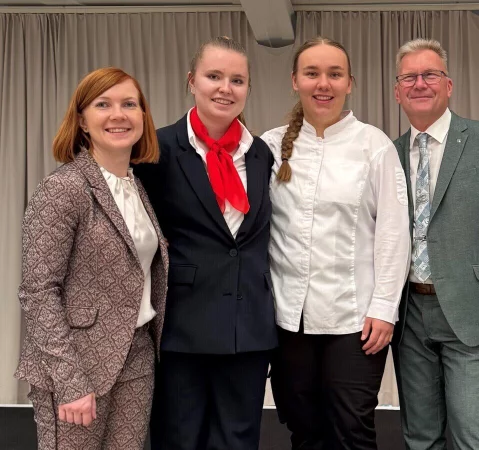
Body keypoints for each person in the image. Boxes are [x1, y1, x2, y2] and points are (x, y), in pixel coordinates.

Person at [261, 36, 411, 450]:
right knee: (302, 427)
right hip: (288, 318)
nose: (322, 83)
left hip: (356, 319)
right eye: (312, 73)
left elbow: (395, 234)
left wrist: (384, 308)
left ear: (350, 83)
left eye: (334, 74)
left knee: (351, 428)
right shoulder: (270, 146)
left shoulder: (373, 145)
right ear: (295, 80)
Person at [135, 36, 277, 450]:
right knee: (179, 439)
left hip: (247, 328)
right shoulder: (155, 150)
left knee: (239, 440)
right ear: (191, 81)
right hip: (183, 327)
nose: (225, 88)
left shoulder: (261, 154)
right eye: (214, 76)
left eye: (237, 80)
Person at [15, 67, 167, 450]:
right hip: (76, 364)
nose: (119, 114)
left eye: (129, 104)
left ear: (143, 116)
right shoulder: (63, 188)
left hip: (136, 356)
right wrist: (70, 382)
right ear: (82, 120)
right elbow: (38, 292)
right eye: (104, 104)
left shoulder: (136, 187)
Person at [392, 38, 479, 450]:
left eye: (430, 74)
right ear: (397, 90)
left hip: (472, 314)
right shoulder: (389, 153)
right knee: (420, 436)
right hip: (410, 315)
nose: (420, 84)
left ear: (448, 85)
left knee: (474, 434)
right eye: (410, 77)